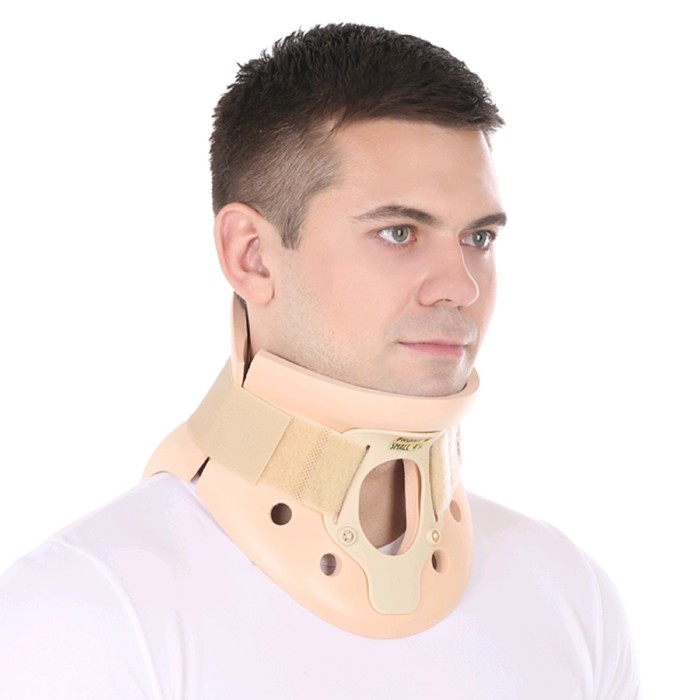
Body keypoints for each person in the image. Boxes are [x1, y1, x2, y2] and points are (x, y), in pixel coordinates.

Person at [0, 23, 639, 698]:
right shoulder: (86, 615)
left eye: (477, 238)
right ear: (251, 255)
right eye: (399, 232)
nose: (461, 285)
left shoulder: (571, 599)